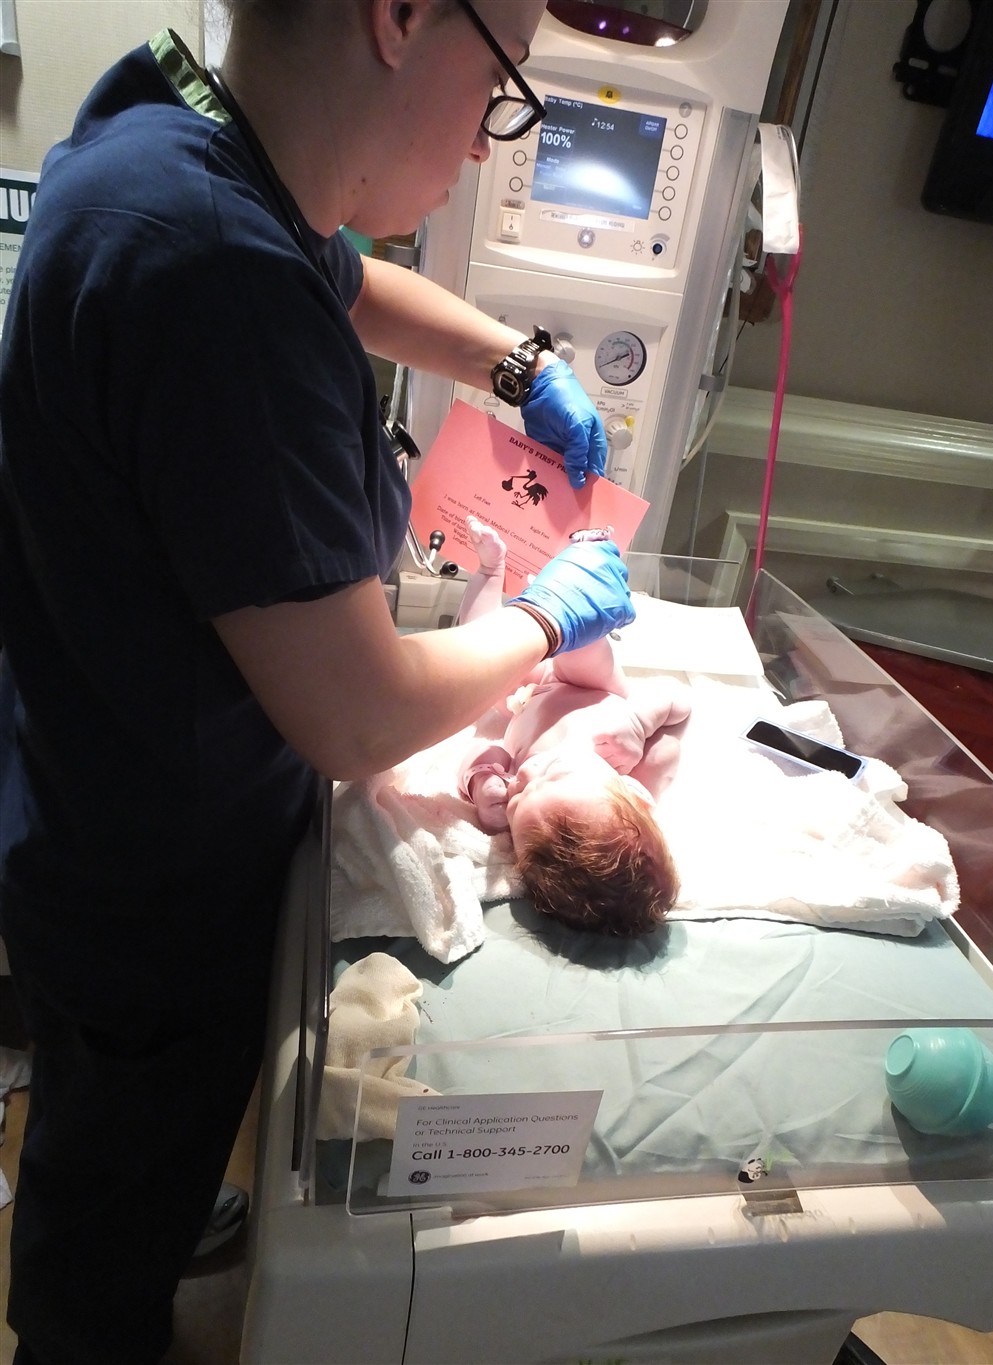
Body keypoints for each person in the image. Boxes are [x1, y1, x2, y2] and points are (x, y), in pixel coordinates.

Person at [0, 4, 635, 1362]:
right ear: (399, 19)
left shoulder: (181, 148)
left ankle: (154, 1211)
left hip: (100, 774)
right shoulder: (211, 274)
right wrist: (546, 618)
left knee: (139, 1131)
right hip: (147, 871)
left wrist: (515, 365)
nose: (489, 137)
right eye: (504, 79)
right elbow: (358, 716)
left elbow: (337, 280)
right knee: (109, 1174)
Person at [457, 519, 691, 936]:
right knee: (581, 655)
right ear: (632, 791)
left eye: (516, 800)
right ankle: (574, 590)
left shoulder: (529, 797)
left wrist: (479, 780)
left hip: (525, 699)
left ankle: (490, 572)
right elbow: (678, 700)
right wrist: (638, 723)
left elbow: (484, 749)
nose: (525, 775)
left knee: (474, 670)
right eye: (553, 775)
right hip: (592, 687)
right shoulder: (634, 765)